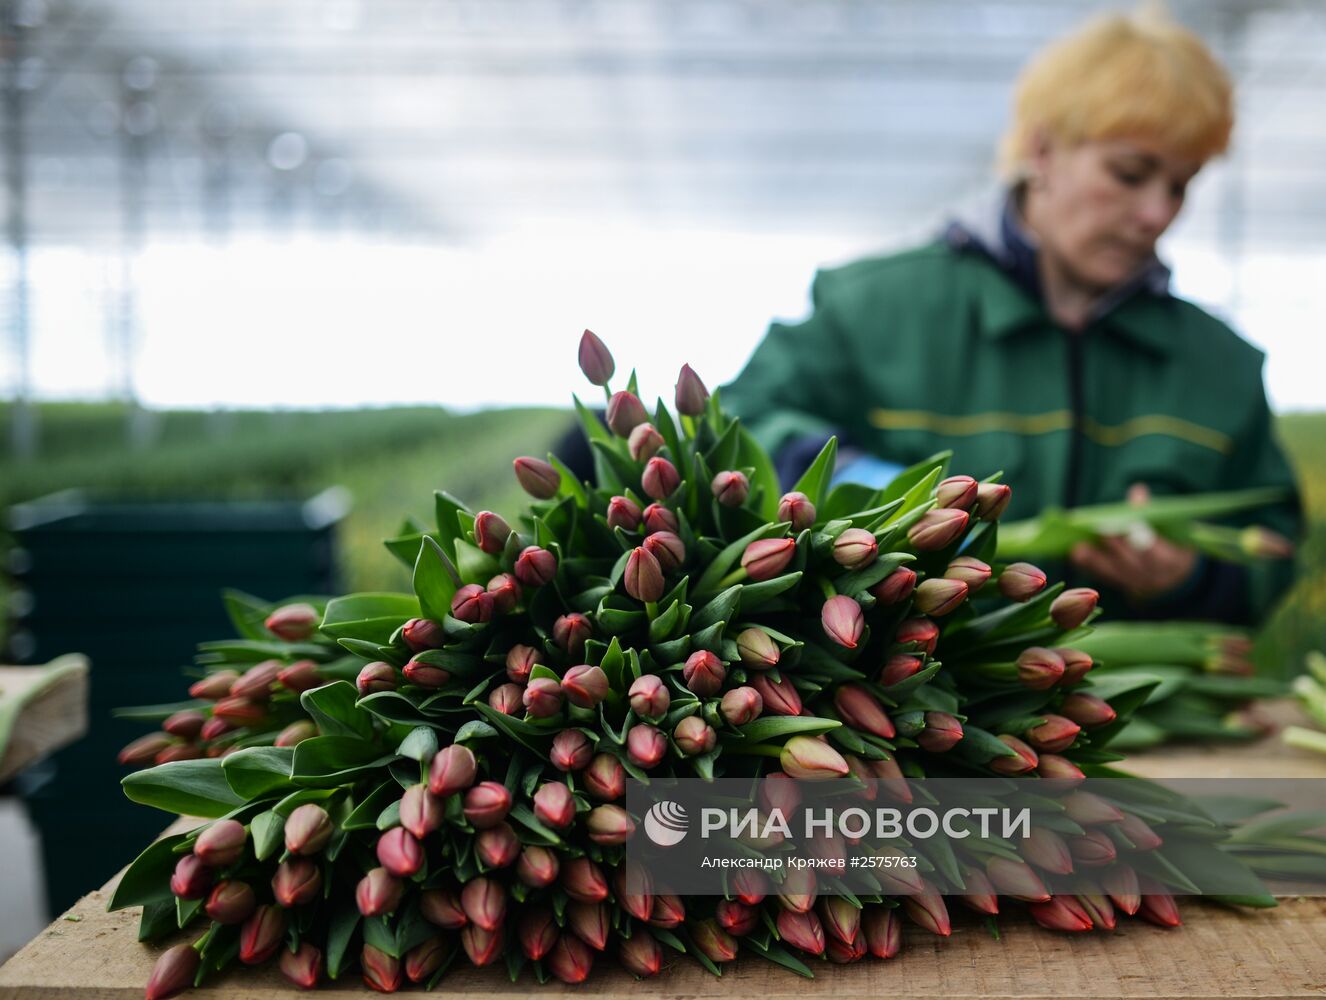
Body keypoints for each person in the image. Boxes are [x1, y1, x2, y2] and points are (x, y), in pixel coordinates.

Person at [721, 10, 1301, 626]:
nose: (1157, 213)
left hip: (1132, 707)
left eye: (1180, 186)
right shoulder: (876, 310)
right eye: (1129, 174)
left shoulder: (1219, 367)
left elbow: (1275, 544)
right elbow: (742, 423)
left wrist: (1193, 578)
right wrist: (877, 491)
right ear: (1042, 149)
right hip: (924, 702)